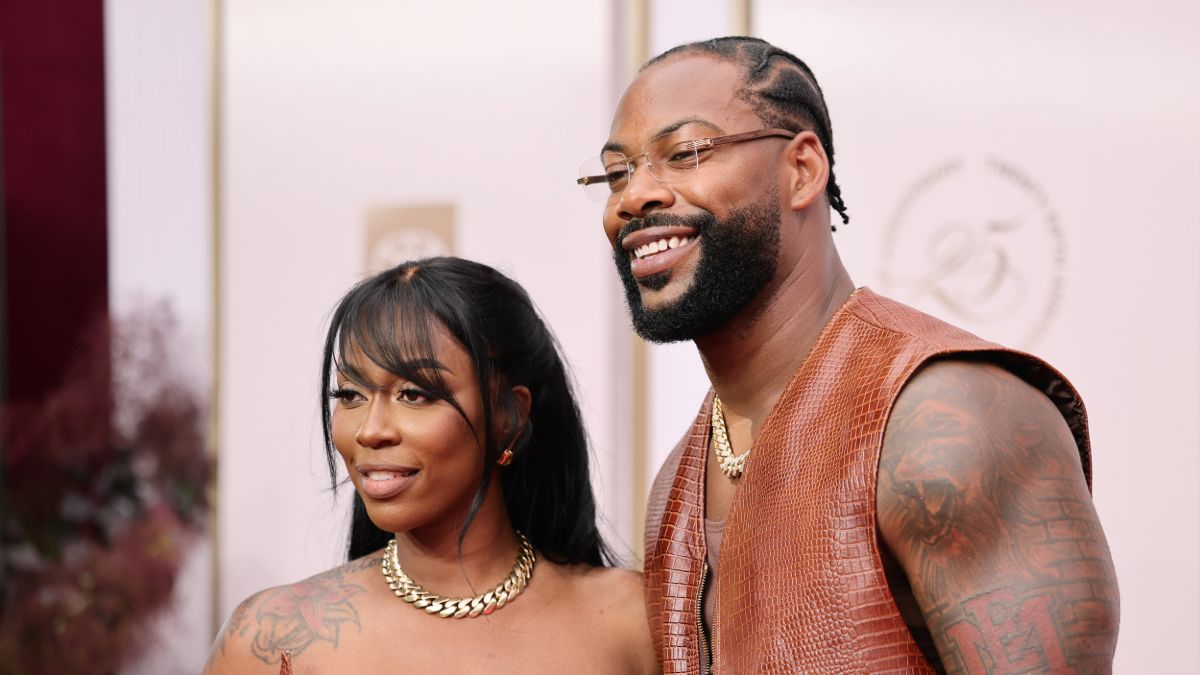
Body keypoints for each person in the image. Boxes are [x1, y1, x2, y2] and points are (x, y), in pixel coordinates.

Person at [579, 37, 1119, 673]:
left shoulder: (945, 422)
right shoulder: (676, 487)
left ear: (803, 170)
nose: (633, 197)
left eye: (685, 153)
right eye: (617, 173)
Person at [203, 257, 658, 674]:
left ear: (509, 416)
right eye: (350, 395)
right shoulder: (269, 639)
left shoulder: (634, 621)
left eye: (414, 394)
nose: (370, 431)